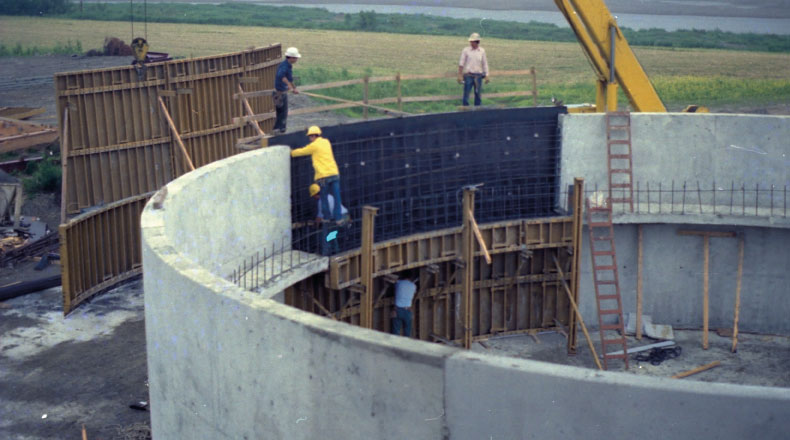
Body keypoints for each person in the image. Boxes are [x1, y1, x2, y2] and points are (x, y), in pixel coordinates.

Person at [291, 126, 347, 225]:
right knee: (337, 197)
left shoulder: (314, 146)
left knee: (323, 197)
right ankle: (338, 218)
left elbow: (302, 151)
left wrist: (291, 152)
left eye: (310, 137)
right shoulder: (326, 142)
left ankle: (326, 217)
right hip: (334, 173)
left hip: (323, 176)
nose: (309, 139)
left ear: (313, 136)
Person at [457, 32, 489, 107]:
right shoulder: (466, 50)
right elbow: (461, 63)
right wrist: (460, 75)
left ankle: (477, 111)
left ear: (477, 42)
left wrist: (487, 75)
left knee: (478, 95)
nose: (471, 43)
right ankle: (465, 111)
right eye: (470, 41)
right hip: (468, 75)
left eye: (472, 42)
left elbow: (485, 63)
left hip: (478, 76)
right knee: (466, 94)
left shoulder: (482, 51)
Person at [273, 47, 301, 134]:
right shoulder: (284, 66)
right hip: (279, 93)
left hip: (283, 92)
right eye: (295, 58)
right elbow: (282, 76)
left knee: (283, 112)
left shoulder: (288, 66)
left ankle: (280, 129)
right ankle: (279, 130)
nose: (296, 59)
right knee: (282, 113)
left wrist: (294, 87)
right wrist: (290, 87)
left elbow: (290, 78)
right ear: (291, 57)